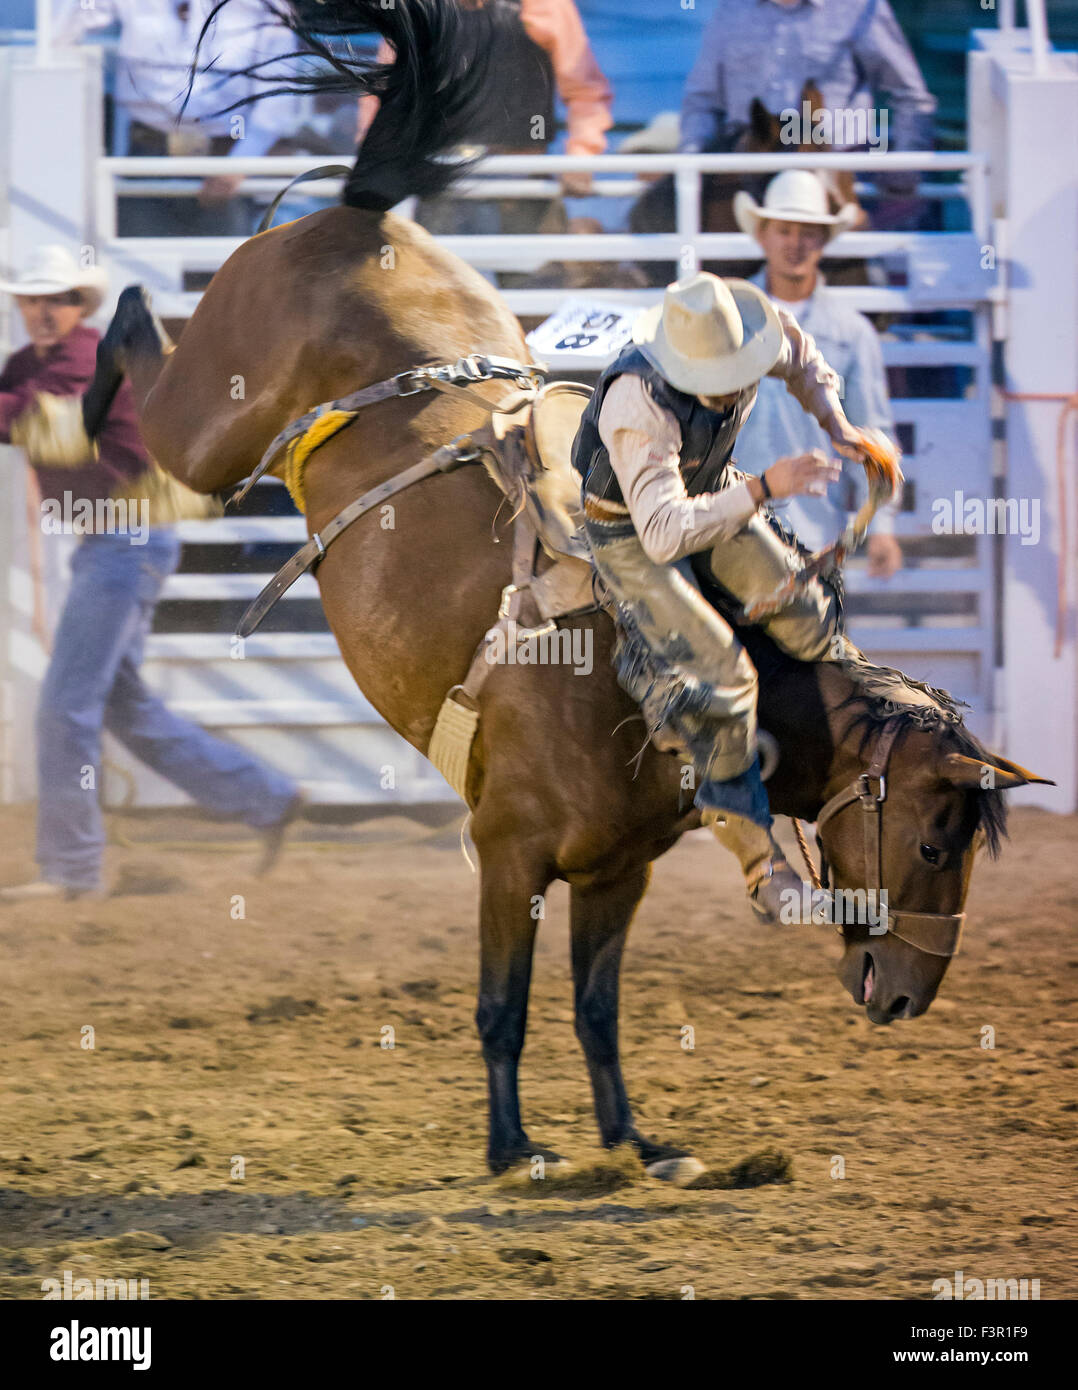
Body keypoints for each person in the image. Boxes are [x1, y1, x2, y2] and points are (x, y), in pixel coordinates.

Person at [571, 271, 885, 922]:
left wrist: (839, 423)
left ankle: (847, 757)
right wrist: (767, 487)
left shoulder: (756, 330)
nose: (739, 385)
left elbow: (803, 362)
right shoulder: (639, 399)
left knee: (807, 617)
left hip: (712, 491)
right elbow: (660, 535)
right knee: (723, 677)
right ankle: (759, 863)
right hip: (628, 529)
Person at [0, 247, 302, 902]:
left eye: (57, 299)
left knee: (64, 708)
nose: (44, 310)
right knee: (121, 706)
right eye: (33, 299)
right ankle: (265, 797)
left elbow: (47, 426)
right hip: (117, 544)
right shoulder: (36, 365)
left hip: (123, 542)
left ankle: (71, 870)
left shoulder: (85, 360)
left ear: (80, 306)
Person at [732, 169, 901, 574]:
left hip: (814, 536)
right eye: (784, 230)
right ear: (763, 235)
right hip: (730, 526)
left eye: (808, 232)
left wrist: (881, 526)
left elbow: (872, 433)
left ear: (823, 242)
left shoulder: (851, 333)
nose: (795, 243)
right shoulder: (729, 320)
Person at [356, 0, 612, 238]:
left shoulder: (544, 6)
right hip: (442, 181)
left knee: (536, 279)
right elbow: (386, 93)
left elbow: (585, 91)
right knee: (442, 282)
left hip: (522, 181)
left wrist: (581, 156)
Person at [58, 0, 306, 235]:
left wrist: (239, 165)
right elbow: (59, 34)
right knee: (136, 266)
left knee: (223, 269)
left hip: (224, 161)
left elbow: (277, 103)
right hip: (147, 156)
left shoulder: (264, 7)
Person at [679, 0, 936, 226]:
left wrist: (905, 165)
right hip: (747, 181)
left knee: (856, 273)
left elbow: (910, 96)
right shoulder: (732, 8)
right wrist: (692, 165)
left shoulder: (858, 7)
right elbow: (702, 101)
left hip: (836, 178)